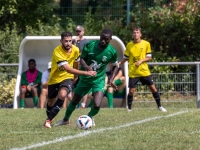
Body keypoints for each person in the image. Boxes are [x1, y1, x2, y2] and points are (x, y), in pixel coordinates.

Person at [54, 28, 119, 127]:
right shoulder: (90, 45)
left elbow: (115, 65)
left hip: (99, 79)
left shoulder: (112, 52)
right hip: (85, 79)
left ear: (110, 39)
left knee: (97, 105)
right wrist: (86, 67)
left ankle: (89, 117)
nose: (103, 40)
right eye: (102, 38)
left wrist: (111, 80)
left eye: (106, 39)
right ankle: (65, 119)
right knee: (75, 101)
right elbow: (82, 58)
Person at [43, 31, 96, 128]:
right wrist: (85, 73)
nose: (68, 43)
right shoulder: (57, 51)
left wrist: (75, 76)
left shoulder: (75, 49)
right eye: (66, 41)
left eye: (70, 41)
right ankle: (51, 116)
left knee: (63, 95)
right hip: (54, 79)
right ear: (61, 41)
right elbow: (67, 68)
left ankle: (48, 121)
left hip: (67, 77)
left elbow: (76, 62)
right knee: (50, 101)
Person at [118, 27, 167, 112]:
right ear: (132, 35)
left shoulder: (146, 44)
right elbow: (126, 58)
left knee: (153, 88)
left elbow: (149, 57)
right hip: (133, 72)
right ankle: (129, 108)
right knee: (131, 91)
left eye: (137, 32)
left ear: (140, 34)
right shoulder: (129, 45)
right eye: (134, 32)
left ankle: (159, 106)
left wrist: (141, 61)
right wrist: (119, 63)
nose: (135, 34)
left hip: (144, 71)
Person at [73, 25, 89, 108]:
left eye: (79, 31)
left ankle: (83, 104)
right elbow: (72, 52)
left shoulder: (87, 42)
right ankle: (75, 104)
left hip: (83, 66)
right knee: (75, 86)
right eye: (77, 31)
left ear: (83, 31)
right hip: (75, 66)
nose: (78, 33)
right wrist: (75, 42)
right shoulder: (73, 41)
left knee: (83, 85)